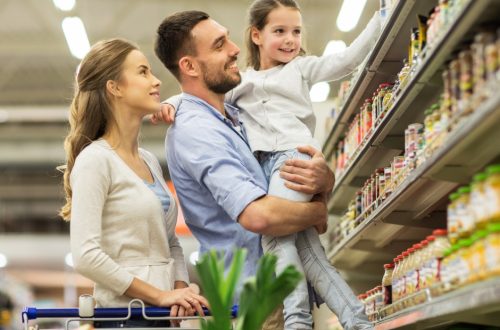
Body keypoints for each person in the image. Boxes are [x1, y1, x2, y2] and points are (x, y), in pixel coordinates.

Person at [154, 0, 382, 328]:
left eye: (296, 31)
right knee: (295, 248)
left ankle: (356, 321)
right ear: (190, 66)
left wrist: (324, 181)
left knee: (315, 259)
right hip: (256, 296)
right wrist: (318, 211)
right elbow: (260, 217)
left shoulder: (232, 113)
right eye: (220, 45)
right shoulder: (197, 127)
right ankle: (303, 322)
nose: (234, 49)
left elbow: (345, 61)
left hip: (267, 276)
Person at [58, 38, 208, 328]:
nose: (155, 81)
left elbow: (170, 242)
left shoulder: (149, 160)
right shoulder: (95, 160)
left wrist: (179, 291)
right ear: (114, 87)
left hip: (161, 318)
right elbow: (86, 256)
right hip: (124, 318)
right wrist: (159, 295)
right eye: (142, 72)